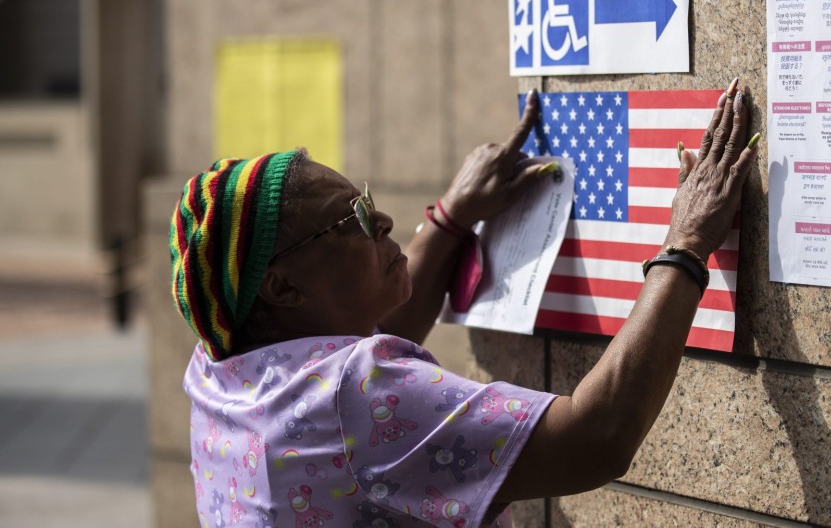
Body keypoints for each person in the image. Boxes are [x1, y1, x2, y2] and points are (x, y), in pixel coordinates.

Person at [170, 79, 758, 527]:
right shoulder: (354, 394)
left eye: (366, 198)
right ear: (282, 288)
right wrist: (684, 245)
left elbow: (365, 361)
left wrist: (450, 219)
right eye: (350, 219)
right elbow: (596, 436)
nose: (383, 220)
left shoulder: (221, 369)